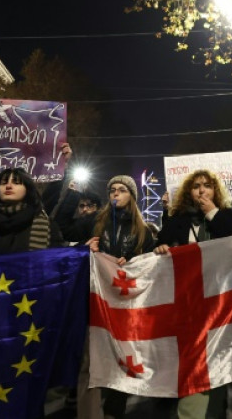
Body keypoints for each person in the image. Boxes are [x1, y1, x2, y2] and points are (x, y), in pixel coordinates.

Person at [154, 169, 232, 419]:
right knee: (192, 359)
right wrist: (161, 248)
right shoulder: (177, 221)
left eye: (207, 185)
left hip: (220, 302)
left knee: (218, 359)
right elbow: (159, 245)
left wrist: (212, 213)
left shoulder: (226, 216)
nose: (202, 190)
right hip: (187, 303)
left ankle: (216, 410)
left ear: (215, 191)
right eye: (196, 186)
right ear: (188, 192)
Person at [71, 175, 156, 419]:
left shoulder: (142, 231)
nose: (116, 194)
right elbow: (63, 229)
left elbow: (149, 264)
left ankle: (113, 411)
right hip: (96, 300)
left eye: (122, 190)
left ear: (132, 196)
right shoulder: (96, 222)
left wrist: (133, 262)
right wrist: (85, 248)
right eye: (112, 190)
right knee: (91, 360)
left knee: (124, 359)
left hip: (125, 304)